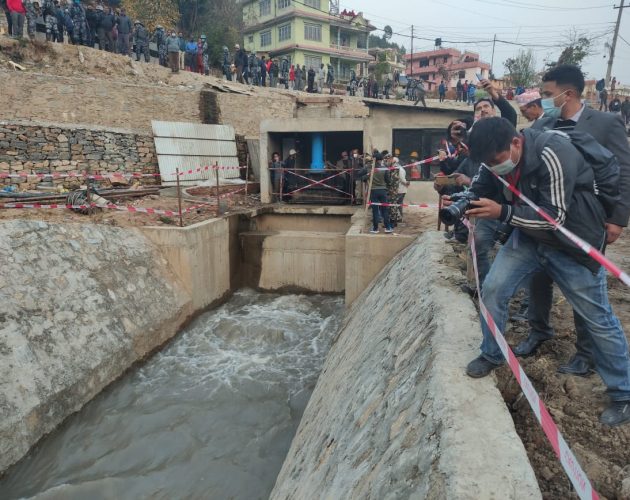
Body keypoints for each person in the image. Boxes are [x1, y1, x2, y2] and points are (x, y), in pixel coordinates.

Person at [461, 117, 630, 427]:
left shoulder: (553, 153)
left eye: (497, 161)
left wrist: (503, 212)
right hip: (528, 237)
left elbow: (554, 218)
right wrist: (463, 202)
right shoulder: (492, 159)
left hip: (572, 240)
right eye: (487, 162)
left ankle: (623, 392)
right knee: (494, 289)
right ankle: (492, 353)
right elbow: (483, 187)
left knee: (598, 317)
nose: (494, 167)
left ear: (515, 143)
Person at [513, 65, 630, 369]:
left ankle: (586, 353)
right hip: (546, 220)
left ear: (570, 94)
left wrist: (616, 218)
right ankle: (538, 331)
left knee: (584, 288)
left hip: (586, 224)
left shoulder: (606, 124)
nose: (546, 100)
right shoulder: (541, 126)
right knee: (538, 279)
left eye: (549, 95)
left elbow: (624, 172)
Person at [368, 152, 393, 234]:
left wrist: (366, 177)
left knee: (375, 211)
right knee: (384, 210)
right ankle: (388, 228)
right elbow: (388, 181)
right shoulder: (384, 168)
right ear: (381, 160)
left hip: (374, 191)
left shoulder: (370, 168)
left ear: (374, 160)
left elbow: (361, 175)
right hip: (383, 191)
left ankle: (375, 229)